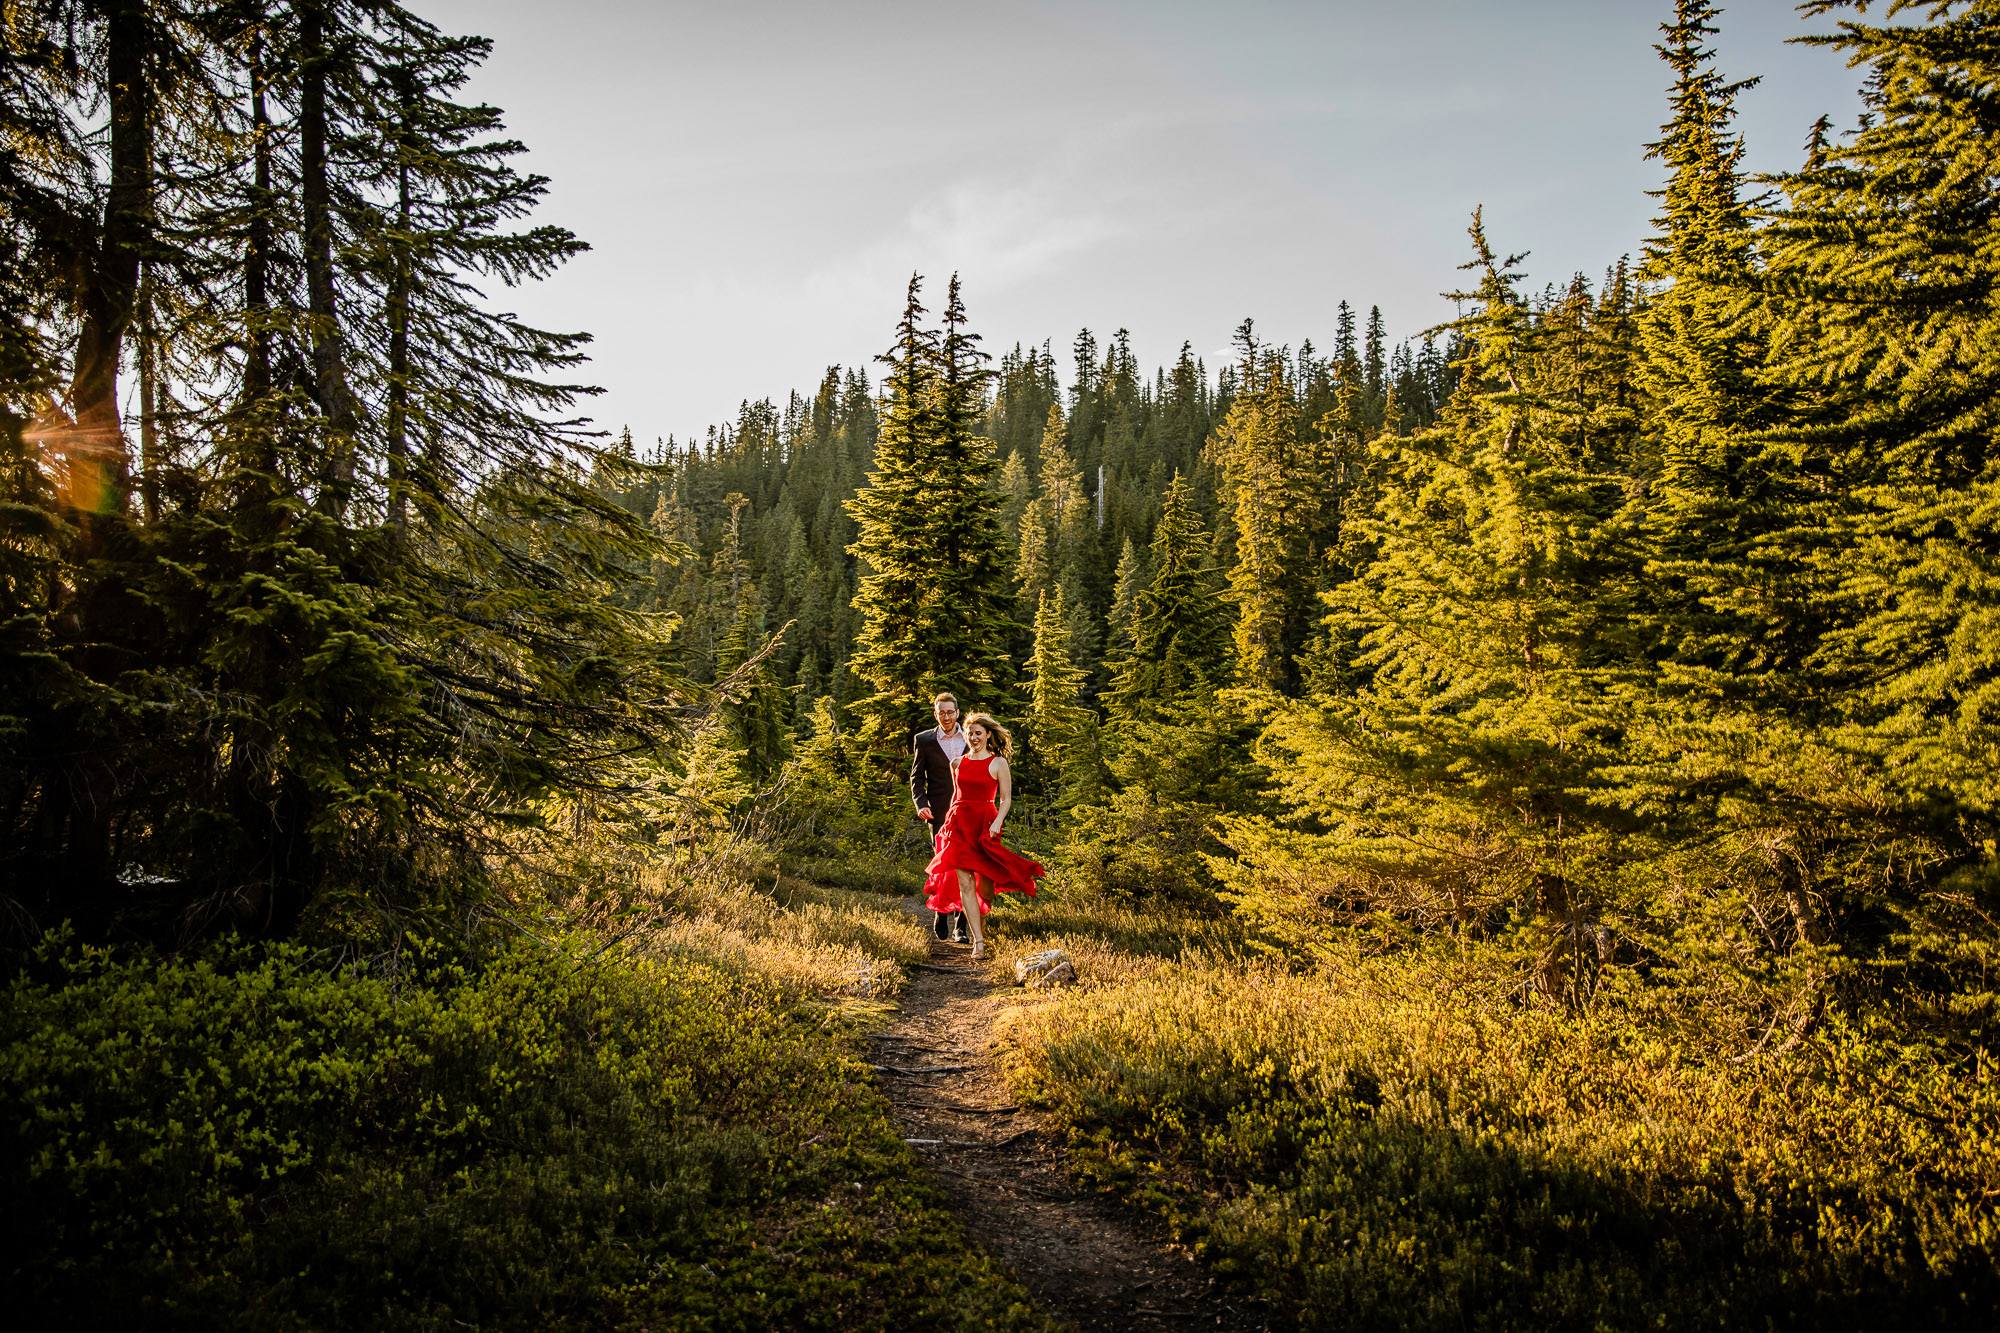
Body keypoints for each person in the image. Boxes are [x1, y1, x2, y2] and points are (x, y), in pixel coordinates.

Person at [923, 713, 1044, 960]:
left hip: (985, 824)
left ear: (988, 734)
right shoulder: (957, 763)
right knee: (965, 881)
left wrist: (998, 821)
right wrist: (946, 823)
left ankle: (981, 921)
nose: (974, 737)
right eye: (970, 733)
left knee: (985, 889)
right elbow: (956, 797)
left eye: (978, 733)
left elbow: (1006, 799)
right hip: (958, 824)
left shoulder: (998, 763)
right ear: (965, 736)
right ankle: (978, 940)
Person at [909, 692, 968, 943]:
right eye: (941, 712)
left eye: (950, 712)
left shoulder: (972, 737)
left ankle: (961, 926)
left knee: (968, 868)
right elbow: (916, 777)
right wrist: (921, 804)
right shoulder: (924, 740)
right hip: (939, 813)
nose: (946, 716)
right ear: (936, 714)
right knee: (943, 866)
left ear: (957, 713)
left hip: (968, 812)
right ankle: (940, 913)